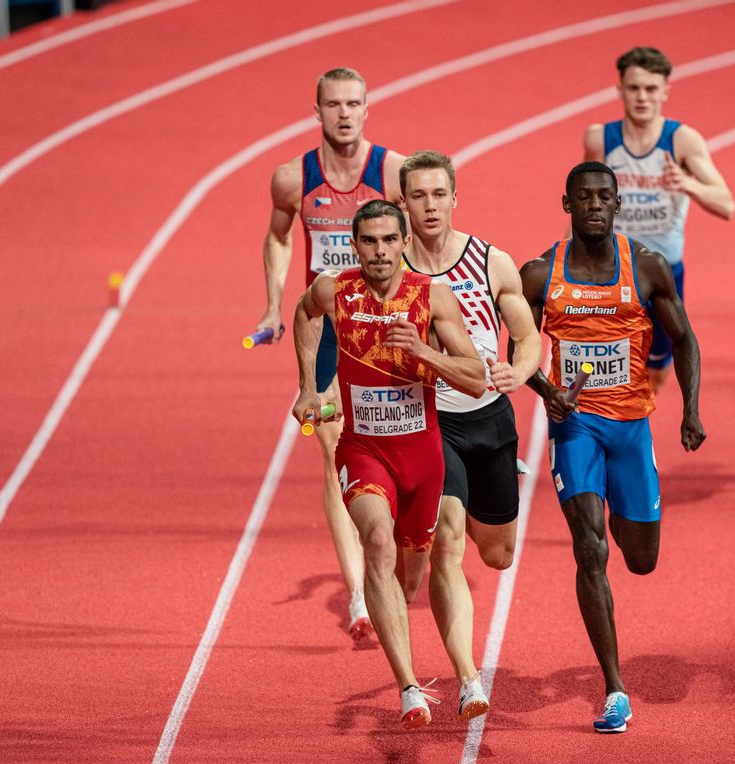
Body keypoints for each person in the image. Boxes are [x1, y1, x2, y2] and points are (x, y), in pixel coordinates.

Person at [519, 162, 706, 733]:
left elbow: (684, 337)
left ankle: (627, 516)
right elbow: (519, 353)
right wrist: (547, 390)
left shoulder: (646, 267)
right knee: (589, 549)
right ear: (567, 204)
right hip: (576, 429)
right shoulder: (539, 274)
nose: (595, 205)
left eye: (604, 196)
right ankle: (615, 689)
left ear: (617, 204)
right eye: (584, 197)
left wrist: (691, 409)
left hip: (631, 428)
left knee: (640, 560)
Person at [293, 200, 491, 729]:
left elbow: (475, 378)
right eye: (368, 241)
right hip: (363, 451)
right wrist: (309, 386)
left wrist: (425, 355)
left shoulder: (433, 299)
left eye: (387, 240)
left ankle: (428, 655)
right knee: (376, 541)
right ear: (355, 245)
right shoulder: (337, 291)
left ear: (404, 243)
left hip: (422, 457)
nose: (379, 251)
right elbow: (304, 312)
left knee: (409, 580)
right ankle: (411, 687)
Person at [257, 67, 406, 638]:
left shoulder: (391, 172)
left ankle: (395, 548)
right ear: (316, 111)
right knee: (334, 458)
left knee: (398, 443)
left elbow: (420, 238)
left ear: (367, 110)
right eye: (333, 104)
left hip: (388, 329)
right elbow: (277, 236)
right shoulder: (293, 180)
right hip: (328, 336)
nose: (344, 114)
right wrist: (274, 304)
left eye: (354, 104)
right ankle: (361, 595)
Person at [398, 150, 543, 720]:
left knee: (498, 554)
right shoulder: (395, 272)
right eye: (418, 196)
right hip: (433, 424)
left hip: (490, 419)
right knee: (448, 543)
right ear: (403, 202)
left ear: (455, 198)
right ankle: (468, 679)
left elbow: (529, 338)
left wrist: (520, 371)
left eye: (439, 194)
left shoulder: (491, 261)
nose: (430, 206)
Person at [582, 46, 734, 392]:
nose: (642, 97)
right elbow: (581, 208)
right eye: (634, 88)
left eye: (651, 89)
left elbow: (727, 205)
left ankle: (633, 429)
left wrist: (688, 183)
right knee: (603, 365)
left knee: (657, 373)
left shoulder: (682, 141)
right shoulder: (600, 140)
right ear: (620, 90)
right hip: (611, 270)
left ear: (665, 91)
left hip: (665, 275)